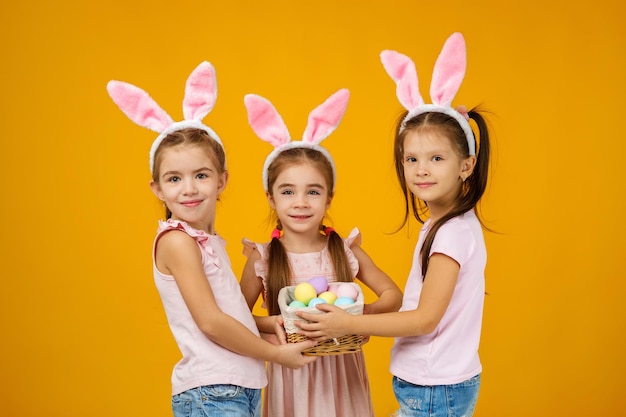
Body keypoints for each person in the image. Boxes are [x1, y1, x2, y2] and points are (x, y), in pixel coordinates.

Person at [106, 61, 317, 417]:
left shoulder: (206, 240)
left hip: (234, 388)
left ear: (221, 181)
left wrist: (267, 324)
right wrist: (275, 354)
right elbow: (210, 322)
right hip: (211, 393)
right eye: (174, 179)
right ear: (157, 189)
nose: (188, 189)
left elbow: (226, 312)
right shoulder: (177, 241)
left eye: (200, 175)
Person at [297, 33, 491, 417]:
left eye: (437, 158)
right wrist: (361, 317)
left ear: (466, 165)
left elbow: (425, 318)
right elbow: (422, 307)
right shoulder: (447, 224)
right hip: (434, 382)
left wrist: (343, 325)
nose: (421, 169)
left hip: (435, 387)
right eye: (411, 159)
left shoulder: (451, 233)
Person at [240, 89, 403, 417]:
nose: (300, 202)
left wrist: (356, 318)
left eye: (313, 192)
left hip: (343, 373)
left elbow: (393, 295)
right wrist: (270, 323)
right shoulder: (263, 259)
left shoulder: (343, 250)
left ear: (328, 199)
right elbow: (236, 318)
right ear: (271, 198)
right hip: (293, 372)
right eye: (288, 191)